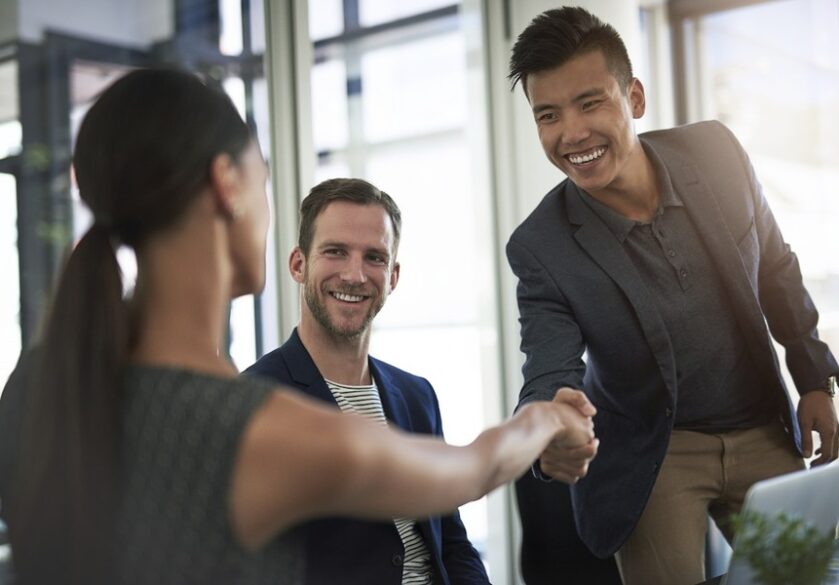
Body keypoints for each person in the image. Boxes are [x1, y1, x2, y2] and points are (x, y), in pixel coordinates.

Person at [0, 68, 599, 585]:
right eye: (263, 181)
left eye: (374, 258)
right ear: (226, 184)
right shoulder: (250, 427)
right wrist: (547, 416)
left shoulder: (45, 383)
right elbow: (472, 470)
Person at [505, 7, 839, 585]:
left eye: (591, 103)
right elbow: (547, 365)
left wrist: (813, 378)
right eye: (548, 116)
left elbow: (777, 270)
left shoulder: (716, 153)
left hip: (761, 424)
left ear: (633, 97)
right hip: (653, 452)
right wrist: (548, 424)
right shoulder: (541, 245)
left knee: (808, 578)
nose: (572, 134)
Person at [247, 178, 488, 584]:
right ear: (298, 264)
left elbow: (451, 543)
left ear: (392, 276)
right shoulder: (254, 399)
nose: (355, 275)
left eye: (374, 257)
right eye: (336, 251)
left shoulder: (417, 395)